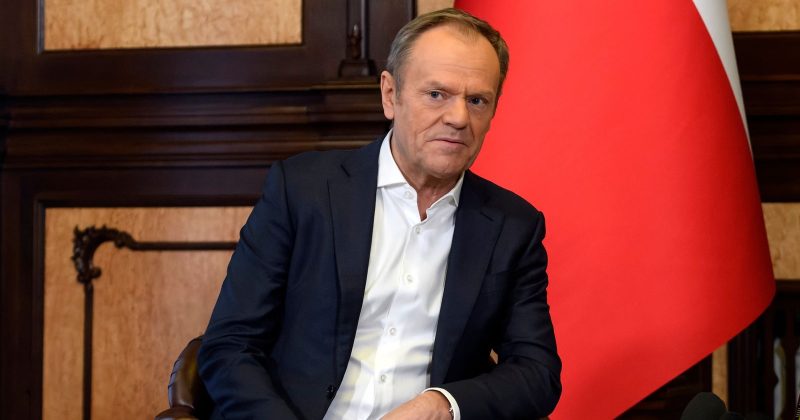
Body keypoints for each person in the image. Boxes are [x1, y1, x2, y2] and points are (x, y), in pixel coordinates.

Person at [198, 8, 561, 420]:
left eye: (477, 100)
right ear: (390, 94)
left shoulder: (513, 227)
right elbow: (230, 345)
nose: (459, 118)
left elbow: (537, 373)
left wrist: (442, 404)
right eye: (436, 94)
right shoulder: (302, 190)